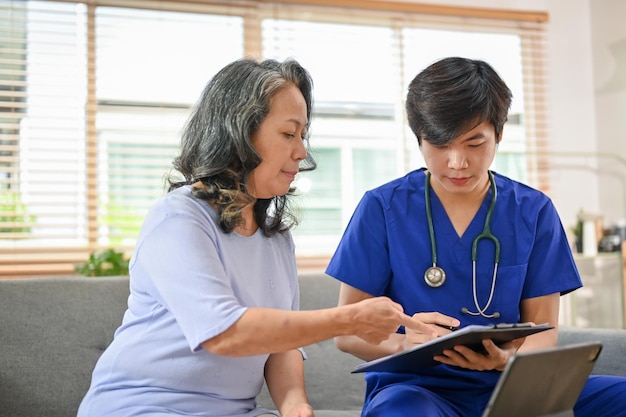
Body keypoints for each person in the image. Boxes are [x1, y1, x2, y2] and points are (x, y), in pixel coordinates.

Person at [77, 58, 428, 417]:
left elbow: (282, 347)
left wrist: (296, 407)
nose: (302, 151)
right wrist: (348, 319)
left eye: (303, 135)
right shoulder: (178, 218)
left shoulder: (275, 237)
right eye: (289, 134)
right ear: (239, 133)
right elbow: (225, 333)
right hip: (144, 406)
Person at [325, 56, 626, 417]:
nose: (457, 162)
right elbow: (346, 333)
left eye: (473, 143)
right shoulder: (381, 208)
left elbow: (543, 332)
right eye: (439, 145)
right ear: (419, 139)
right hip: (416, 390)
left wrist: (507, 358)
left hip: (512, 386)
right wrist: (404, 343)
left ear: (499, 134)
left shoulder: (533, 211)